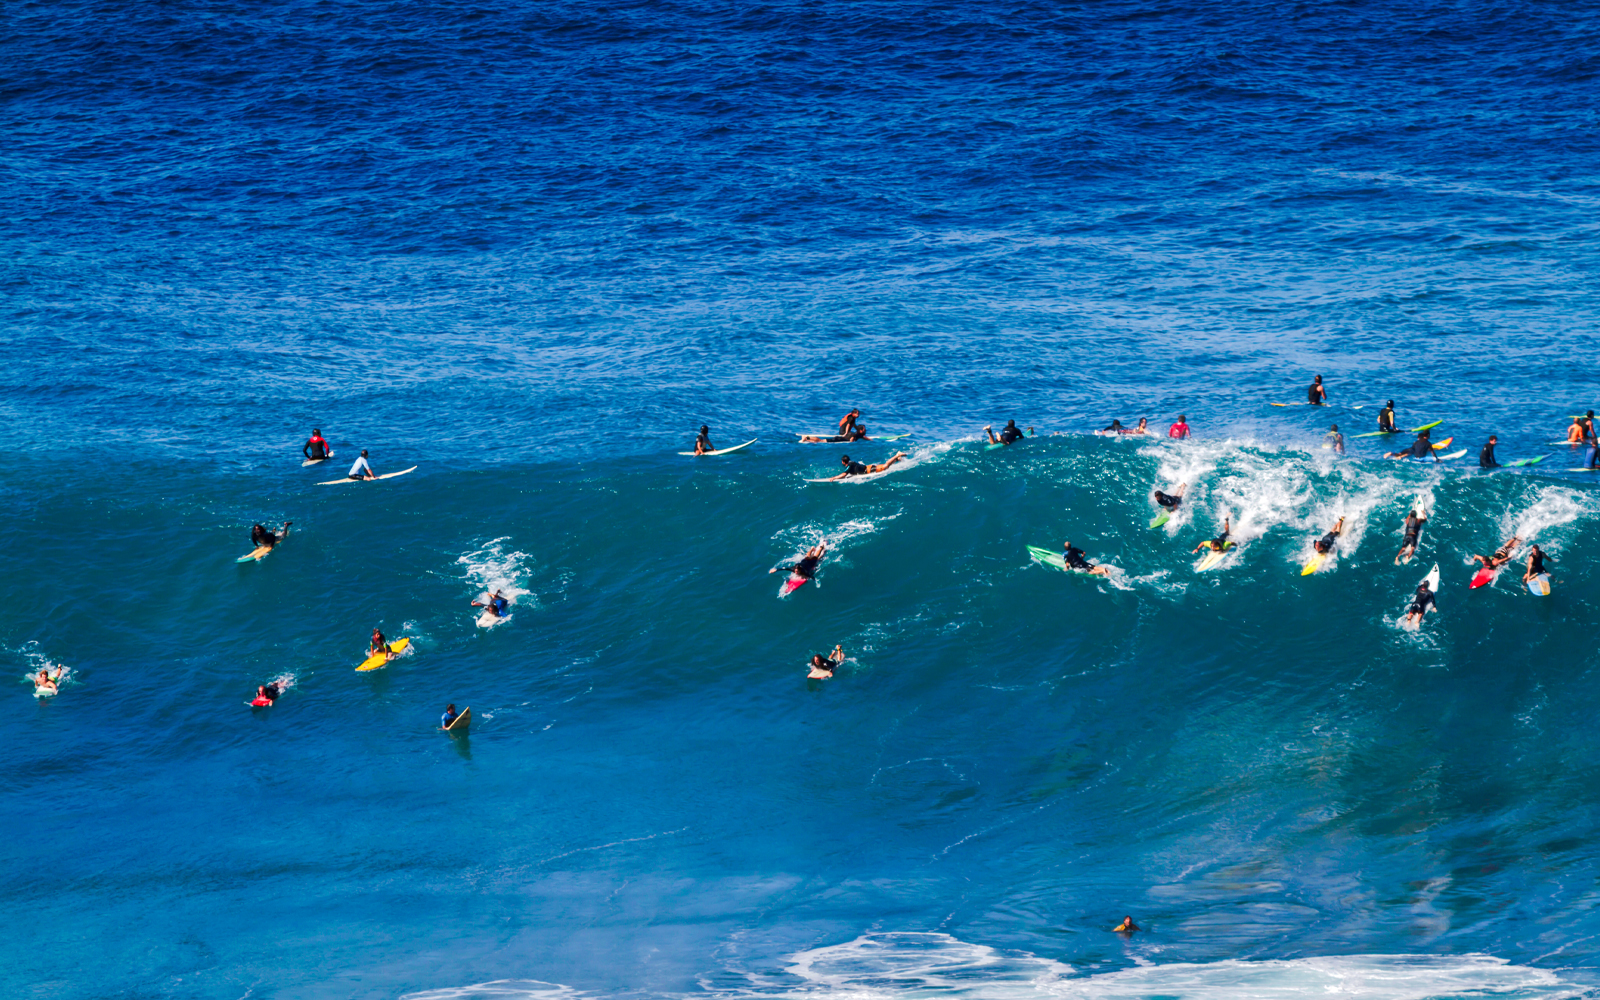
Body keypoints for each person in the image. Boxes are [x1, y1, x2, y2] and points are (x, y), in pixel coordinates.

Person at [826, 452, 907, 480]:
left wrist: (834, 478)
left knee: (886, 466)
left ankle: (897, 455)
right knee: (886, 466)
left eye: (842, 461)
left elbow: (844, 474)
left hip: (869, 470)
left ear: (844, 462)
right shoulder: (851, 462)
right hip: (869, 467)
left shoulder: (849, 466)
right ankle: (897, 459)